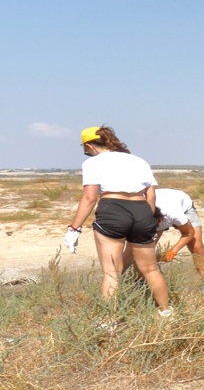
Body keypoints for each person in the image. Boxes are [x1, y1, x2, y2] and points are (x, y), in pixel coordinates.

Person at [65, 126, 171, 316]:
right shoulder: (139, 161)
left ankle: (109, 321)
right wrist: (148, 218)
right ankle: (166, 313)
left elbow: (89, 198)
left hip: (113, 209)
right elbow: (151, 195)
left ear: (89, 145)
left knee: (112, 272)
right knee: (150, 269)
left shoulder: (93, 163)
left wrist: (74, 228)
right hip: (141, 210)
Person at [152, 188, 204, 293]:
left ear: (161, 220)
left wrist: (173, 251)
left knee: (196, 246)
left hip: (183, 206)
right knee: (146, 250)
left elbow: (189, 233)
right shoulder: (140, 214)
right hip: (156, 213)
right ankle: (145, 286)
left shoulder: (175, 214)